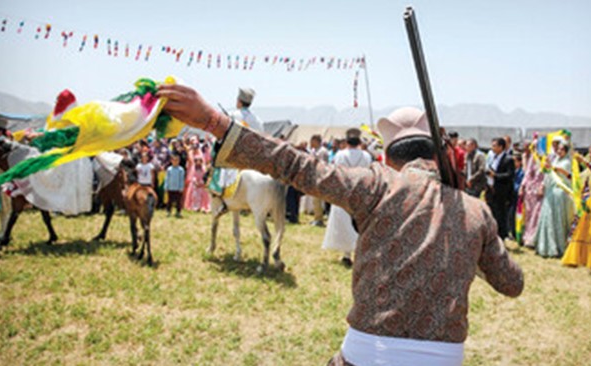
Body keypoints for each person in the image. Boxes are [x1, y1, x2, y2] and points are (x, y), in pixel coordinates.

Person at [157, 84, 523, 365]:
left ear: (387, 157)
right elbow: (512, 284)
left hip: (368, 355)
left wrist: (214, 122)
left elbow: (296, 165)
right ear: (438, 155)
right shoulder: (475, 211)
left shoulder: (375, 184)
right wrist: (469, 239)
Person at [322, 128, 372, 267]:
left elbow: (336, 172)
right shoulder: (366, 156)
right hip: (362, 192)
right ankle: (359, 253)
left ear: (347, 141)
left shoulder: (340, 155)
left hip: (344, 192)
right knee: (361, 223)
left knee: (343, 223)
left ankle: (346, 254)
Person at [561, 143, 591, 271]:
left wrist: (583, 160)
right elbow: (576, 179)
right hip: (586, 203)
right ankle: (581, 257)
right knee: (582, 231)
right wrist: (561, 172)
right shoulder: (587, 171)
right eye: (590, 153)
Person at [534, 142, 573, 257]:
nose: (559, 151)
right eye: (558, 149)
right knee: (547, 217)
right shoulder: (555, 160)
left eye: (562, 149)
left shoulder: (566, 162)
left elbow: (562, 173)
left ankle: (557, 247)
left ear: (566, 151)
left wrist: (551, 167)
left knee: (557, 219)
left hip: (559, 192)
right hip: (550, 192)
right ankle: (544, 246)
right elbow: (548, 175)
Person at [486, 137, 515, 239]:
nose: (492, 148)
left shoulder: (508, 159)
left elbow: (510, 175)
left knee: (501, 214)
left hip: (502, 191)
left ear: (501, 147)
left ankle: (502, 236)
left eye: (494, 146)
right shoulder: (493, 158)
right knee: (492, 212)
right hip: (491, 190)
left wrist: (495, 175)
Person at [309, 134, 329, 227]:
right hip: (313, 175)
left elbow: (323, 164)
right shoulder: (314, 150)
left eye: (312, 141)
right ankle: (317, 218)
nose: (310, 143)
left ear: (316, 141)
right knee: (315, 200)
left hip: (320, 177)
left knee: (318, 199)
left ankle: (319, 219)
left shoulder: (323, 151)